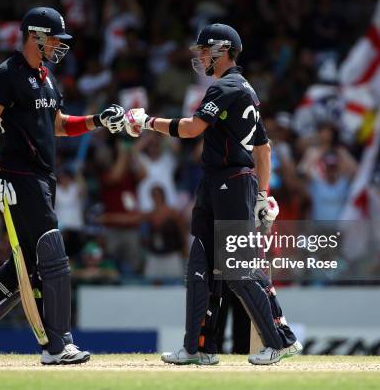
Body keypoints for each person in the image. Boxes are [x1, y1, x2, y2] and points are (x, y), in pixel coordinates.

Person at [0, 6, 125, 365]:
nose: (60, 45)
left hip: (43, 178)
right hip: (19, 178)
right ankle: (58, 346)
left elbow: (59, 125)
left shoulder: (45, 76)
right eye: (55, 38)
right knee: (52, 256)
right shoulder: (6, 74)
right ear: (36, 36)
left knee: (24, 266)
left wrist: (97, 120)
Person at [123, 23, 301, 365]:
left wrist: (146, 121)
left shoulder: (226, 87)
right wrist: (263, 195)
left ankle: (278, 342)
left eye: (205, 50)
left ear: (222, 50)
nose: (201, 56)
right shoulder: (244, 89)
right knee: (199, 266)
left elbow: (191, 129)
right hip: (219, 181)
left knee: (237, 268)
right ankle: (198, 347)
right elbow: (264, 149)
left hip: (231, 182)